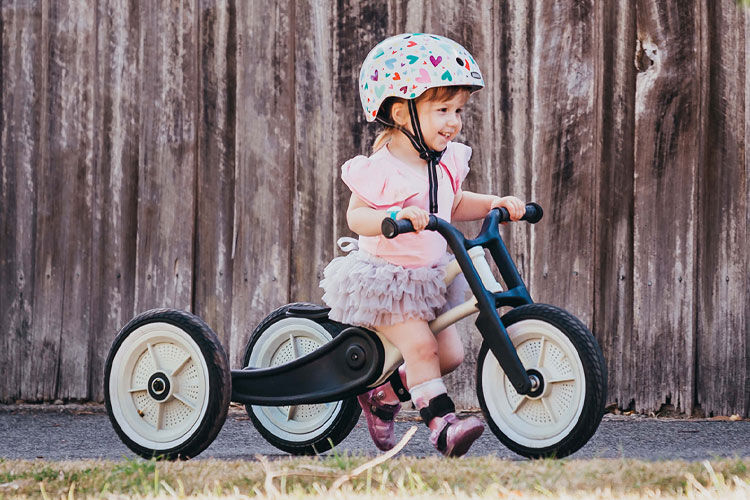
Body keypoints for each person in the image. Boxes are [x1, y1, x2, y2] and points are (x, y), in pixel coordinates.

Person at [320, 33, 525, 457]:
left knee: (448, 354)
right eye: (442, 110)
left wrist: (496, 203)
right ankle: (442, 425)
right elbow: (355, 216)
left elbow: (454, 204)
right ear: (401, 111)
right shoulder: (382, 167)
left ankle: (383, 397)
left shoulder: (445, 161)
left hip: (427, 278)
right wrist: (392, 219)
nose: (453, 121)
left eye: (458, 111)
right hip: (386, 280)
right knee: (421, 347)